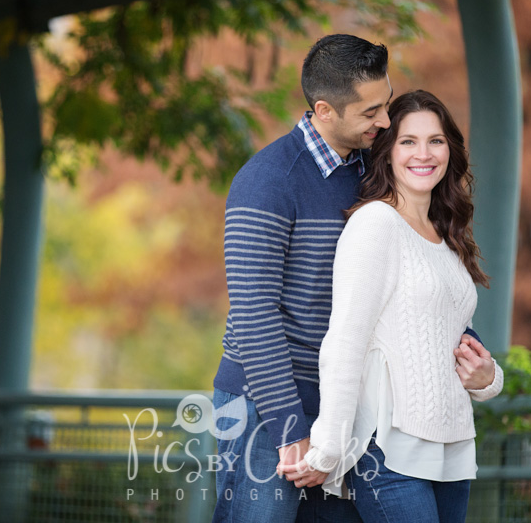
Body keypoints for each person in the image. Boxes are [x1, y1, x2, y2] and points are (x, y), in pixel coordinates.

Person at [211, 36, 495, 522]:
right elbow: (255, 315)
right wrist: (291, 429)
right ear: (324, 110)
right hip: (267, 405)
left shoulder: (374, 171)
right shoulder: (267, 181)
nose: (384, 122)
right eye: (371, 113)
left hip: (349, 412)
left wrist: (472, 356)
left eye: (385, 105)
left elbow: (411, 289)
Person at [279, 89, 505, 523]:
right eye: (408, 141)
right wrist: (327, 448)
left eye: (436, 141)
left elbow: (458, 340)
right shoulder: (376, 224)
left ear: (450, 150)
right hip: (391, 453)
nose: (424, 153)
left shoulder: (447, 235)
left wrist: (488, 378)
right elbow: (346, 340)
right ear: (387, 152)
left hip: (452, 449)